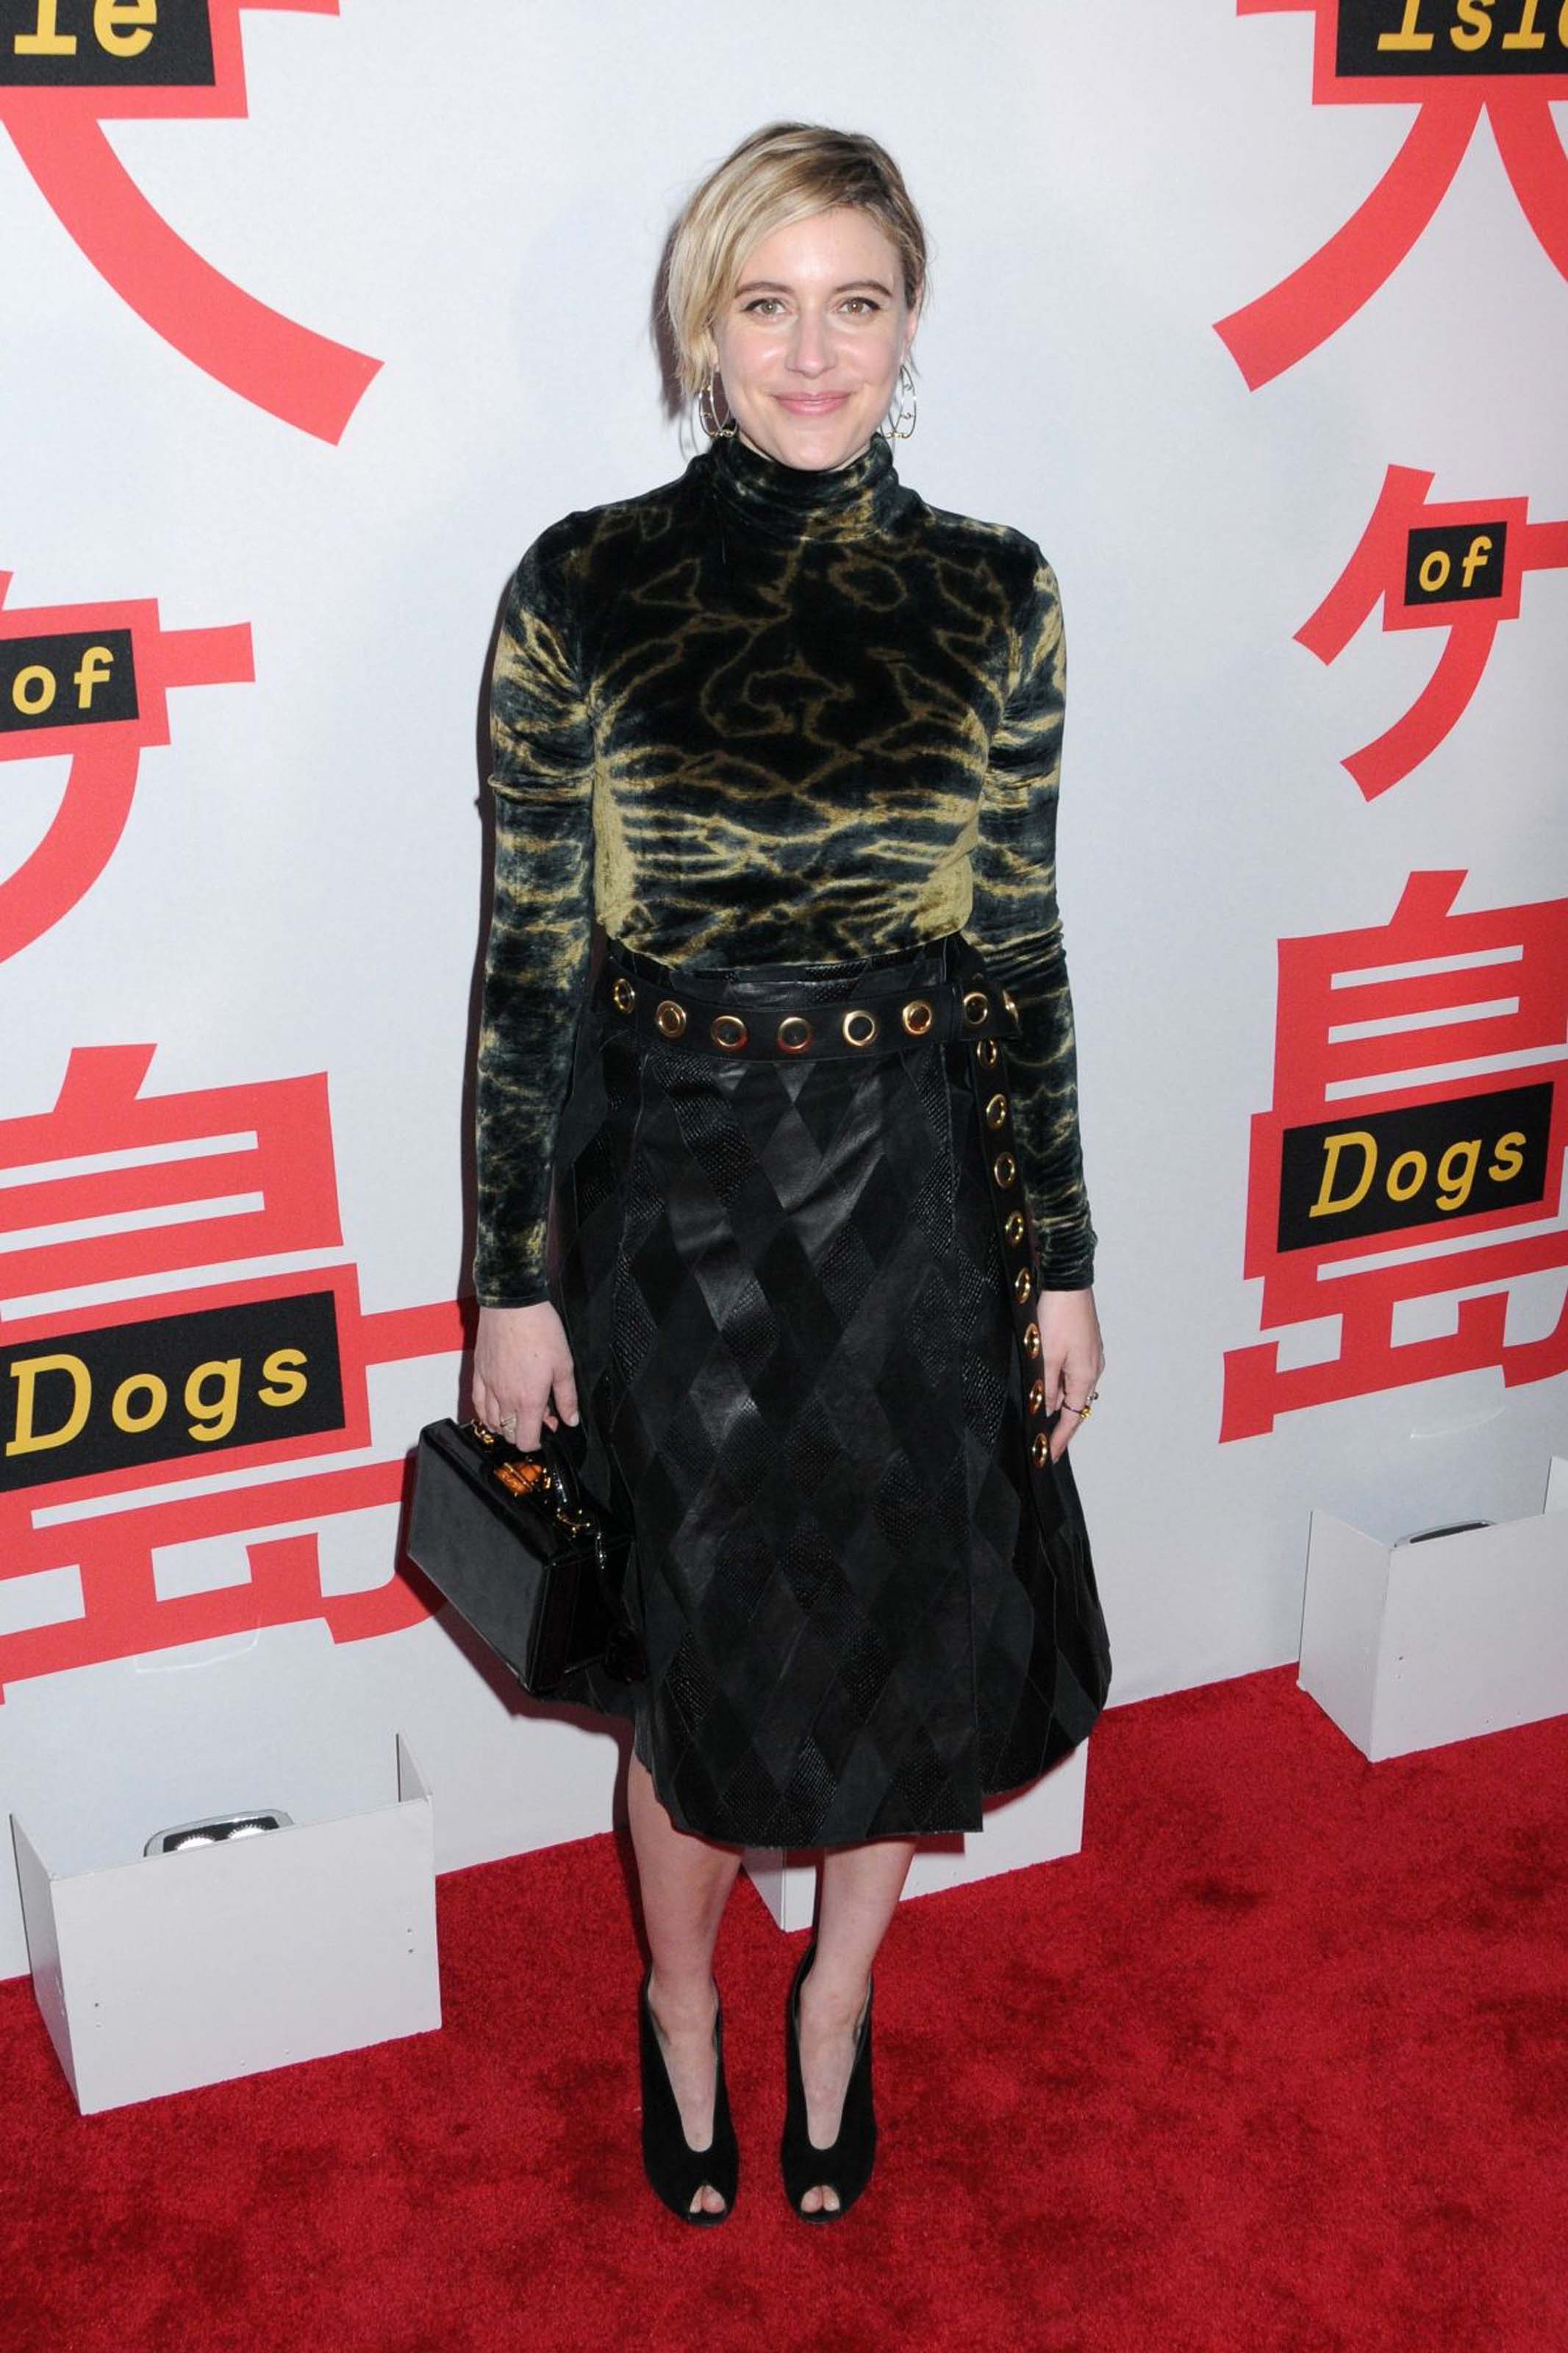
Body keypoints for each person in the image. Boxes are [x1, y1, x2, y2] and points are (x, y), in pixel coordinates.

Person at [468, 121, 1112, 2226]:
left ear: (909, 323)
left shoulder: (997, 592)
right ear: (703, 330)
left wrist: (1060, 1256)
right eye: (768, 304)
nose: (814, 351)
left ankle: (835, 2003)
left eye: (857, 303)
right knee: (697, 1656)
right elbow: (531, 963)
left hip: (919, 1190)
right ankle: (680, 2004)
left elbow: (1018, 944)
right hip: (672, 1200)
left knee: (908, 1634)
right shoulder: (584, 586)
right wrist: (512, 1278)